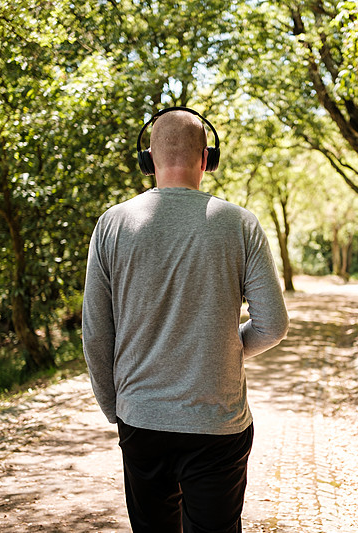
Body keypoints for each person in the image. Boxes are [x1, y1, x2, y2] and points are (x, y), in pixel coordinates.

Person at [82, 107, 290, 533]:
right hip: (217, 421)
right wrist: (222, 346)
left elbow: (96, 332)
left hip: (141, 420)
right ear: (206, 159)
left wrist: (115, 408)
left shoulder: (112, 225)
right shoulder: (240, 224)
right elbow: (272, 325)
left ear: (149, 160)